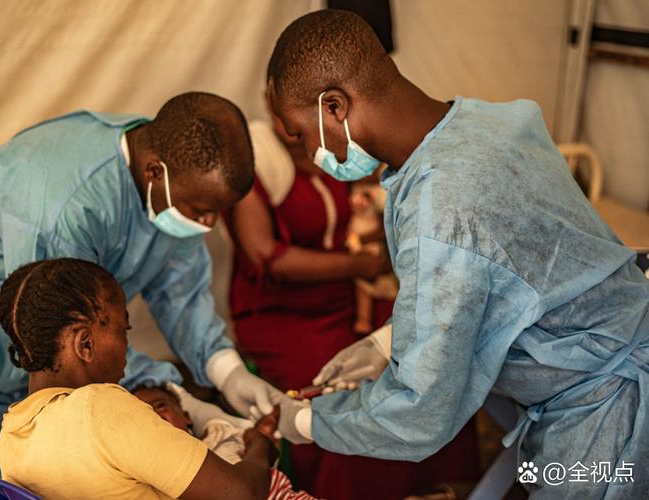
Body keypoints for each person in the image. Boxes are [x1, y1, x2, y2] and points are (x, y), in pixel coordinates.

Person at [268, 10, 649, 499]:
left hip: (604, 414)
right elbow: (509, 269)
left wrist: (307, 422)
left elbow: (420, 412)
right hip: (608, 350)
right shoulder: (485, 121)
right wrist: (387, 342)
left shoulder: (441, 208)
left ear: (335, 106)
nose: (309, 155)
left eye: (301, 136)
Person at [0, 92, 282, 498]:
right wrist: (178, 396)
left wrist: (225, 368)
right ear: (155, 171)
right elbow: (75, 333)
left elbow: (179, 285)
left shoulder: (175, 171)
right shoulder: (63, 208)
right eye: (200, 210)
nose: (208, 223)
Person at [225, 111, 478, 498]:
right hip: (282, 313)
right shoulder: (256, 161)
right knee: (338, 392)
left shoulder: (330, 156)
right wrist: (357, 265)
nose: (291, 131)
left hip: (346, 298)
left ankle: (435, 482)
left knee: (428, 351)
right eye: (280, 117)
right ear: (268, 107)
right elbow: (265, 256)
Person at [0, 257, 276, 500]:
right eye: (123, 331)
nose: (126, 348)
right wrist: (260, 443)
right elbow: (241, 493)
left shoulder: (12, 435)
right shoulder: (101, 408)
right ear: (86, 344)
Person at [135, 386, 316, 499]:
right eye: (144, 415)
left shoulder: (219, 433)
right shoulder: (152, 478)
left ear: (187, 416)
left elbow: (263, 437)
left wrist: (269, 424)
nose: (154, 416)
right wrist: (259, 441)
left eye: (160, 406)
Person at [345, 171, 398, 334]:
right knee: (360, 284)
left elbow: (389, 223)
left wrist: (364, 239)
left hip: (371, 243)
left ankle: (365, 319)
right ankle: (363, 319)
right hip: (353, 239)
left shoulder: (380, 192)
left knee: (366, 282)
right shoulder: (351, 185)